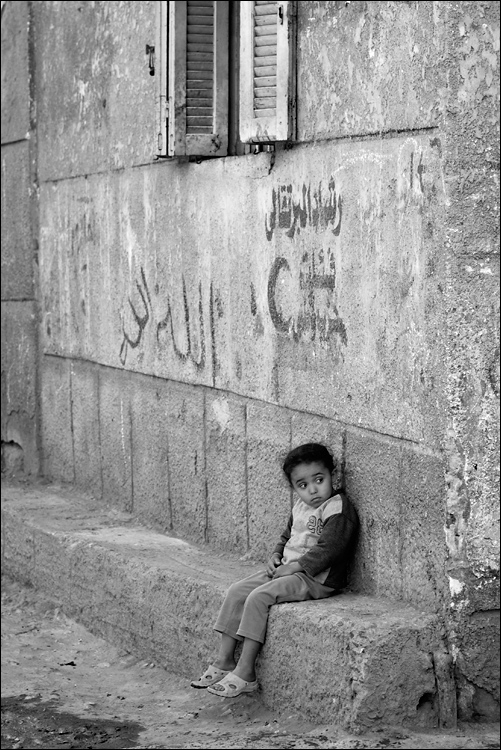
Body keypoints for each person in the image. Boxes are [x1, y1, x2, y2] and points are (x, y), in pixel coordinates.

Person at [190, 442, 359, 698]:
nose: (312, 490)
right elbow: (286, 537)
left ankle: (246, 671)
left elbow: (331, 549)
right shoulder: (300, 507)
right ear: (294, 487)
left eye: (319, 480)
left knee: (259, 597)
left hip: (315, 578)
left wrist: (296, 567)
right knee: (237, 591)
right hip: (287, 569)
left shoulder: (337, 508)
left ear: (332, 475)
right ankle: (225, 660)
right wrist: (275, 557)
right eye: (302, 485)